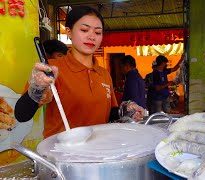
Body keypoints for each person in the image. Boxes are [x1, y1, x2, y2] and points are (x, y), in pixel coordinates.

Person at [14, 6, 144, 139]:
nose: (91, 36)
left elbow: (110, 114)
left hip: (99, 150)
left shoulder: (104, 74)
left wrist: (126, 112)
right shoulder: (52, 69)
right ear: (69, 32)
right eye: (84, 30)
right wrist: (37, 88)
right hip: (61, 153)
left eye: (98, 32)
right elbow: (21, 115)